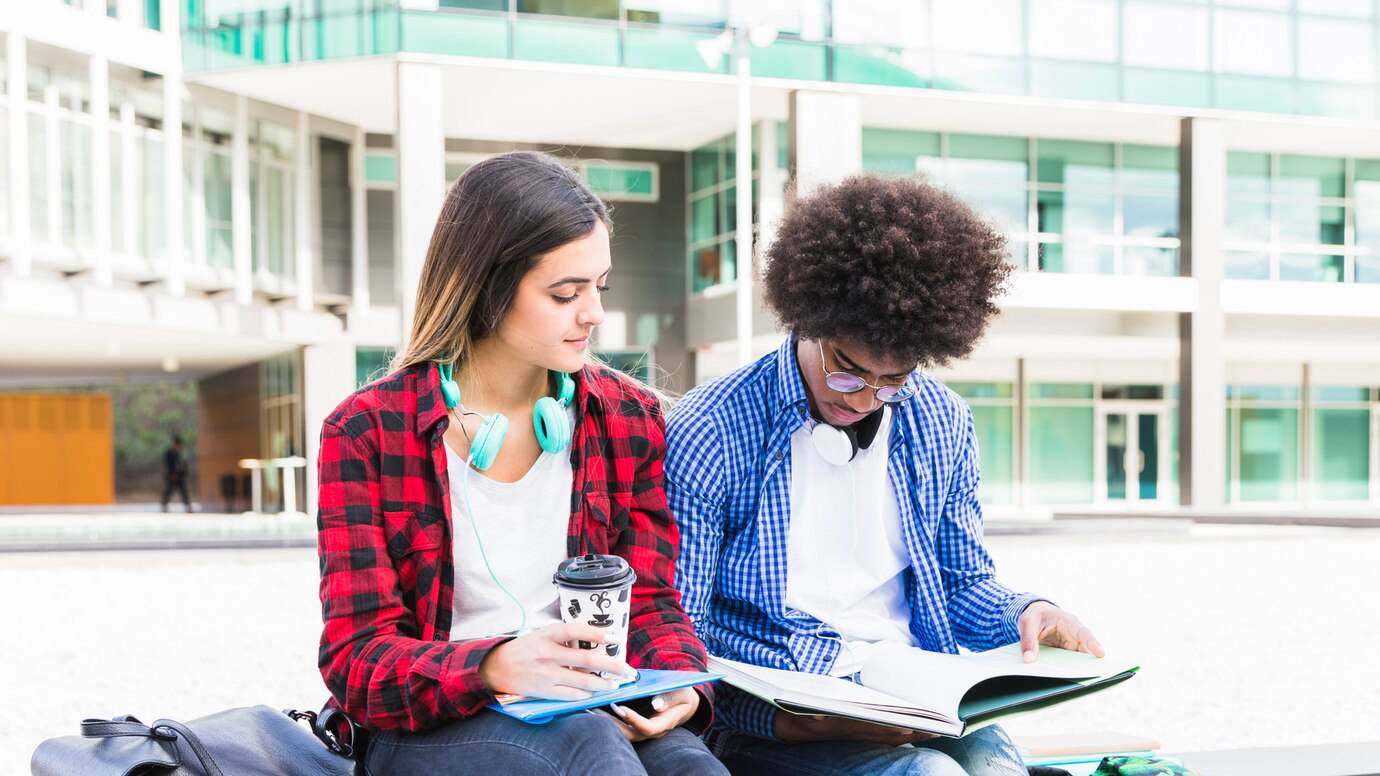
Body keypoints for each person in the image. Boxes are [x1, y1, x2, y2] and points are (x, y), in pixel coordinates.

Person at [665, 174, 1104, 776]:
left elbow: (961, 583)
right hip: (777, 720)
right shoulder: (713, 426)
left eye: (893, 379)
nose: (865, 399)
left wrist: (1028, 612)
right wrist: (788, 721)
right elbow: (678, 627)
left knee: (993, 763)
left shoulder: (942, 420)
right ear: (808, 320)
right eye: (847, 370)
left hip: (912, 696)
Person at [315, 152, 726, 776]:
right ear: (487, 287)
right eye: (565, 293)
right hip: (434, 725)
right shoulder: (368, 431)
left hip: (593, 702)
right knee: (590, 749)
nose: (593, 314)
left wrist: (681, 682)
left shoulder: (626, 417)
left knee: (689, 766)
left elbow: (650, 600)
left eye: (599, 287)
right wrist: (493, 664)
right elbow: (356, 660)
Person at [160, 434, 192, 513]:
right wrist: (173, 474)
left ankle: (188, 507)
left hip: (180, 475)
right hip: (172, 475)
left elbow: (181, 464)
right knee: (169, 490)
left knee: (183, 491)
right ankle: (164, 505)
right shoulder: (169, 453)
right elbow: (169, 465)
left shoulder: (179, 453)